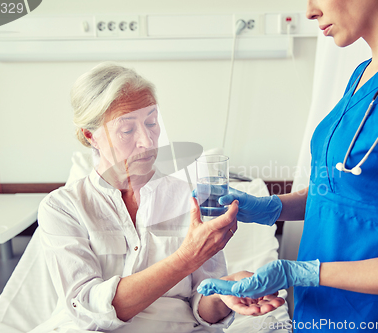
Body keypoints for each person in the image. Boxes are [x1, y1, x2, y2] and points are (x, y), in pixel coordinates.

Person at [197, 0, 378, 331]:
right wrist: (271, 208)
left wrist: (303, 272)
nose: (309, 11)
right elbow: (348, 195)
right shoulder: (367, 72)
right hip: (320, 317)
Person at [34, 63, 284, 333]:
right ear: (90, 136)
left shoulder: (189, 199)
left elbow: (204, 309)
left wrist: (228, 290)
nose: (147, 141)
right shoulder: (62, 208)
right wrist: (187, 257)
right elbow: (89, 310)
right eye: (127, 130)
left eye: (152, 123)